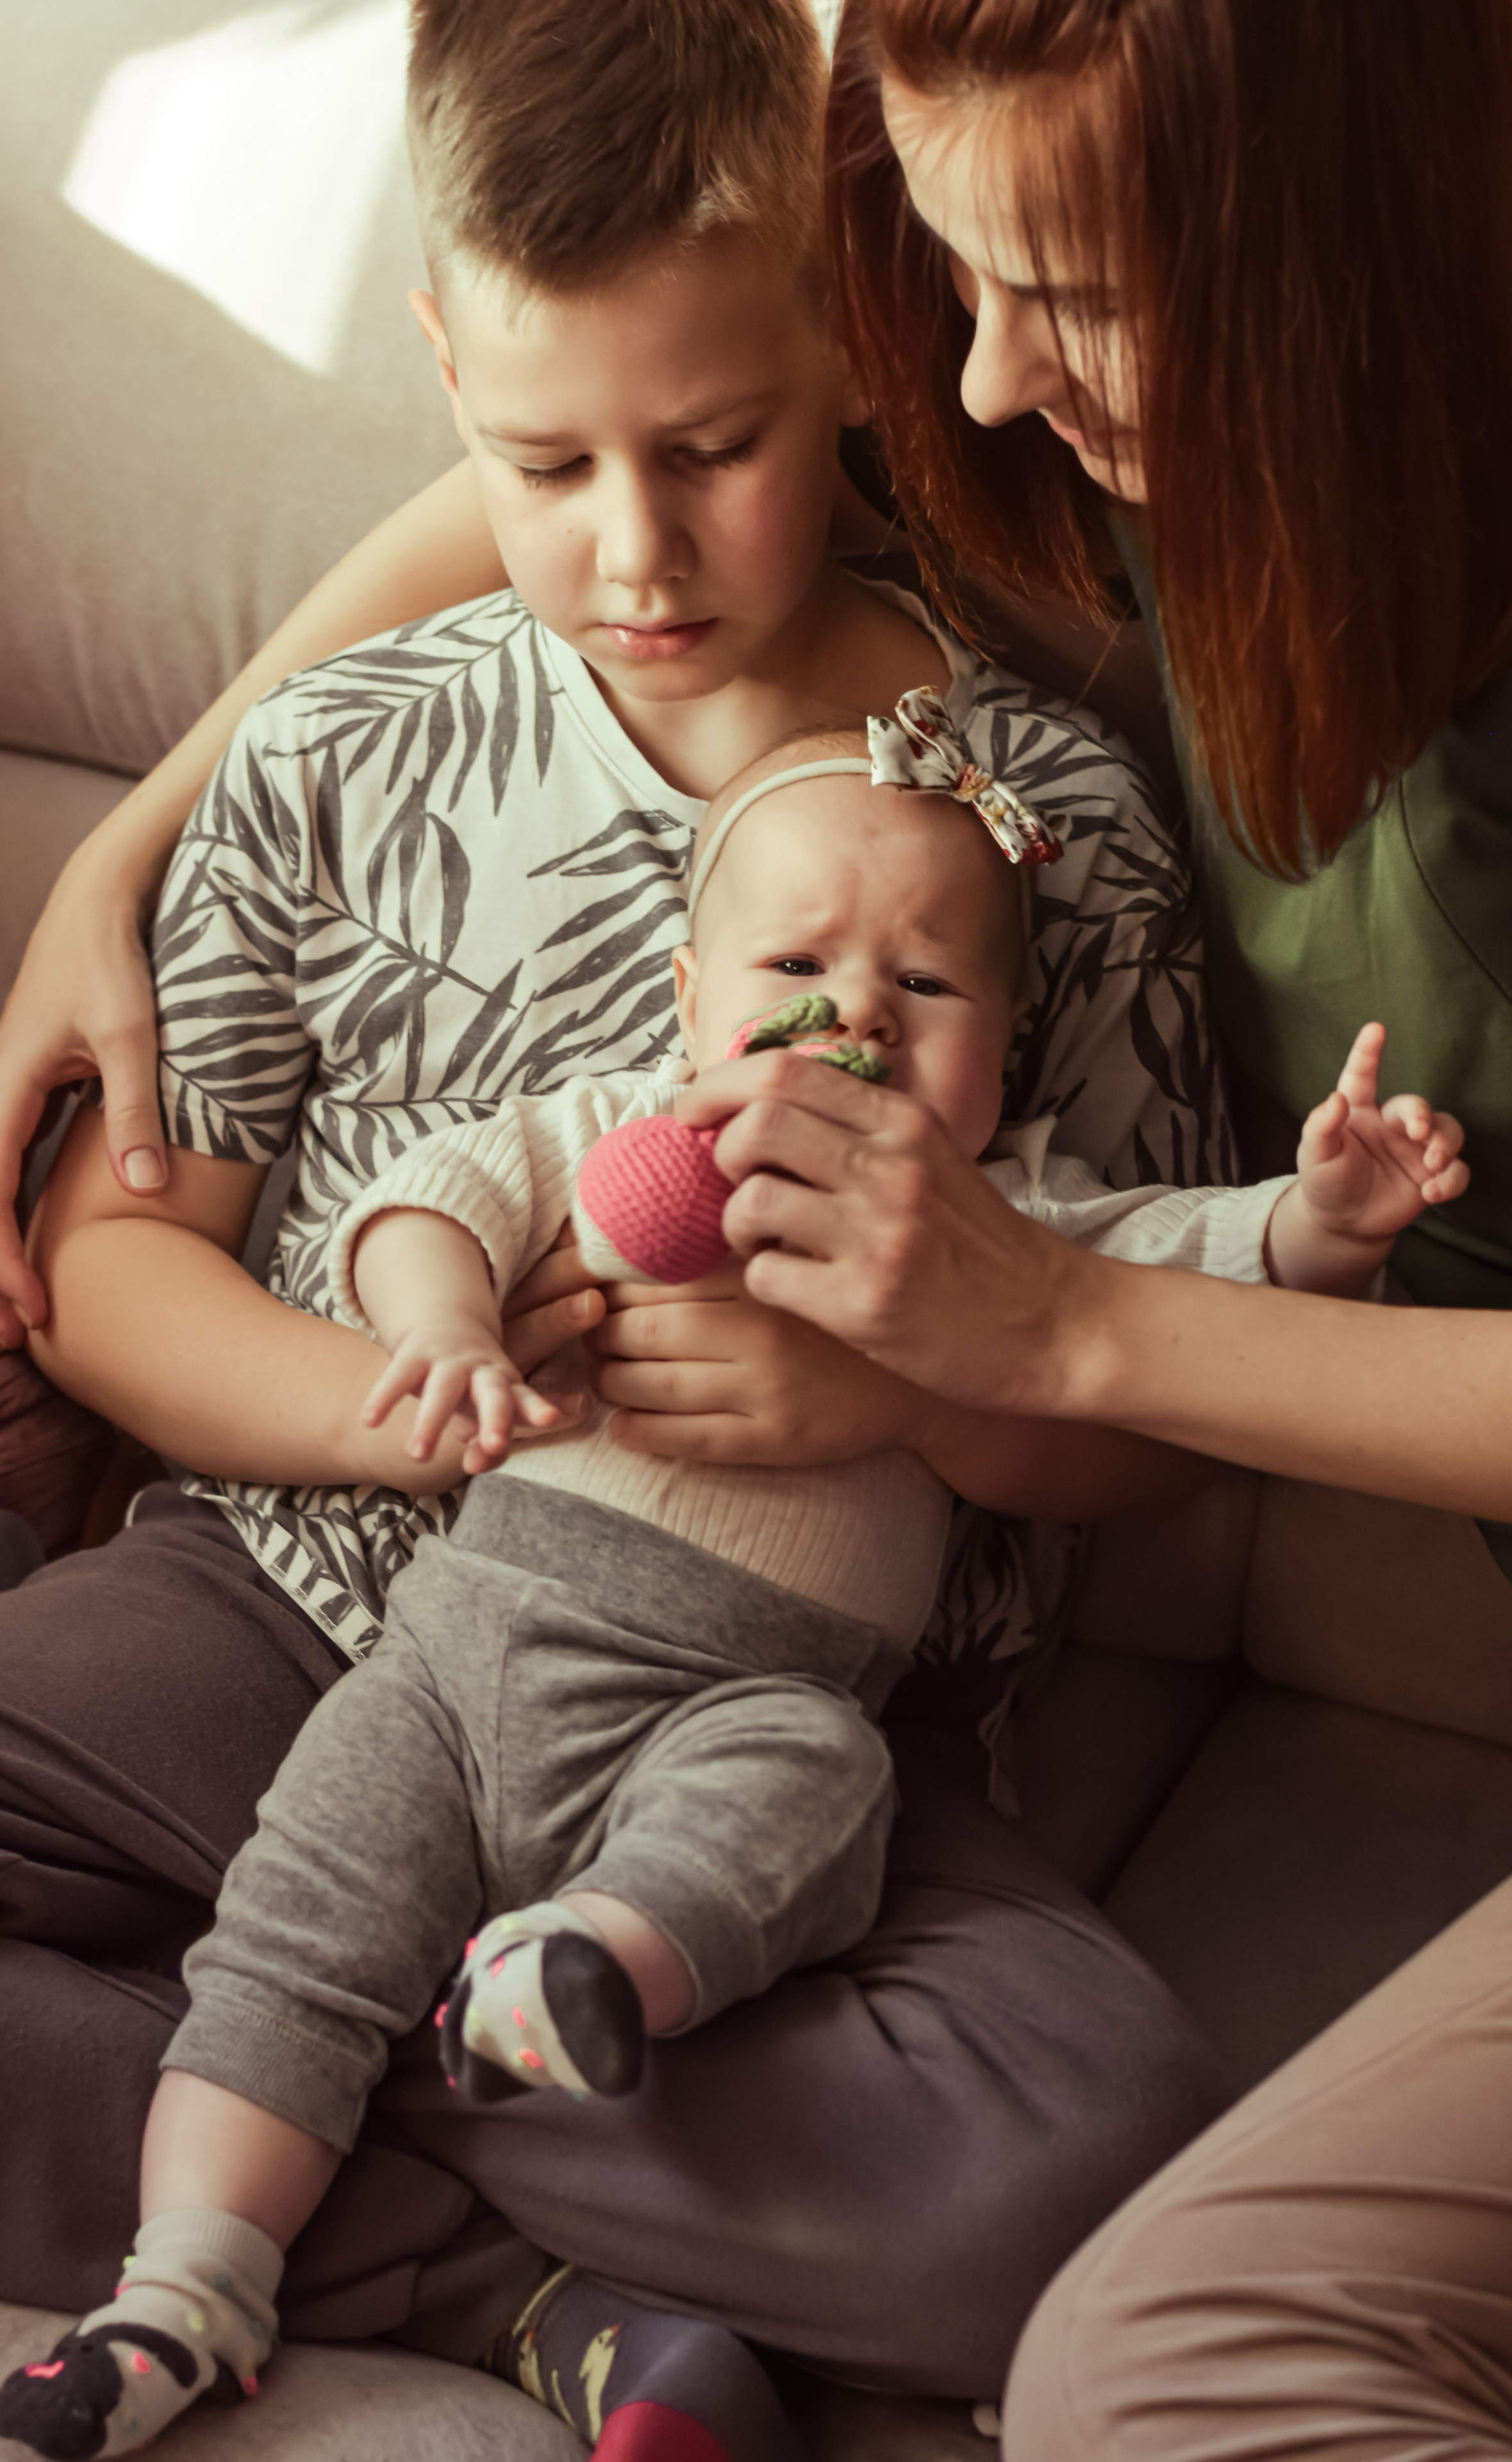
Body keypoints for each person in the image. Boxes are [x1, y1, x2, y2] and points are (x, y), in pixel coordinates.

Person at [0, 0, 1240, 2431]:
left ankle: (297, 2068)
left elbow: (1153, 1415)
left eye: (717, 445)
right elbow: (116, 1277)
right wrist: (426, 1410)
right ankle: (496, 2280)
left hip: (773, 1716)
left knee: (1077, 2177)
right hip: (291, 1600)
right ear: (442, 362)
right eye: (542, 460)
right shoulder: (347, 745)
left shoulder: (1043, 821)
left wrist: (900, 1370)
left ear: (859, 355)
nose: (634, 547)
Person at [0, 712, 1468, 2461]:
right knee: (317, 1906)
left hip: (746, 1705)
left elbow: (1194, 1268)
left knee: (810, 1802)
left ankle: (566, 1971)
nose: (851, 1014)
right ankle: (209, 2278)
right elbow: (426, 1202)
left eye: (926, 987)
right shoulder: (620, 1127)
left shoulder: (1003, 1227)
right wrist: (447, 1343)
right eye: (796, 964)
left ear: (1008, 1056)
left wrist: (1326, 1229)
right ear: (693, 994)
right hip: (454, 1657)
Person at [631, 0, 1512, 2454]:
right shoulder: (1183, 426)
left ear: (1346, 268)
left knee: (1166, 2363)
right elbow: (616, 422)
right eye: (961, 280)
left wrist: (1061, 1323)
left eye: (1063, 299)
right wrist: (134, 843)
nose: (977, 386)